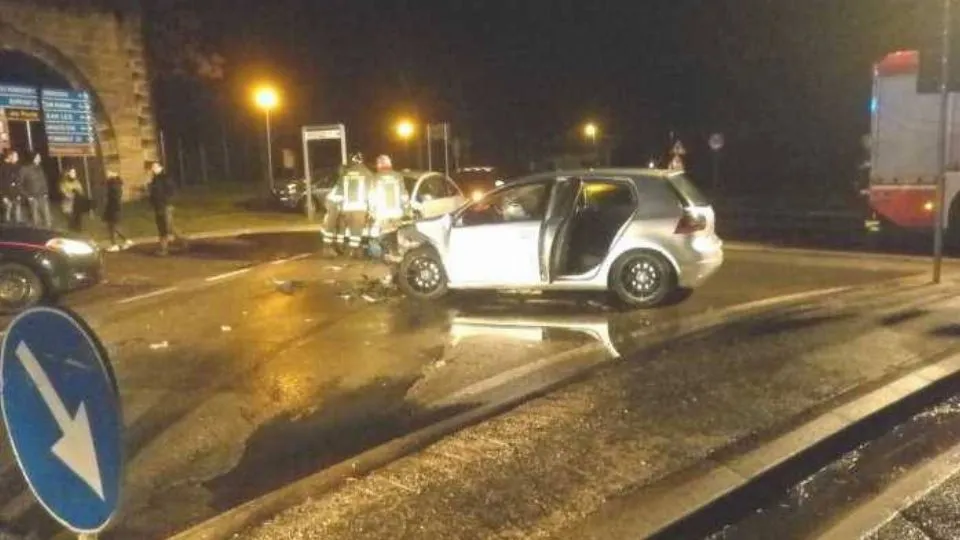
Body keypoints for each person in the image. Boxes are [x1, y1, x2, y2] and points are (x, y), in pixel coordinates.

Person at [147, 161, 187, 256]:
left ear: (160, 167)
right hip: (158, 206)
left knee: (168, 227)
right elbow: (154, 193)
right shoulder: (154, 179)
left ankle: (183, 241)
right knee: (162, 228)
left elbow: (171, 191)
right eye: (152, 167)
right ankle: (164, 249)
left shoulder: (165, 177)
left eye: (155, 167)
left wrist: (166, 201)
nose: (153, 169)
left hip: (165, 206)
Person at [103, 171, 132, 251]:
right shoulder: (115, 184)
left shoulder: (114, 185)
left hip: (114, 209)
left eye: (109, 174)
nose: (107, 175)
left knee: (113, 227)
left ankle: (115, 244)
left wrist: (114, 209)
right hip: (113, 208)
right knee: (112, 227)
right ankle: (125, 241)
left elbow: (114, 198)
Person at [21, 152, 51, 228]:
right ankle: (38, 233)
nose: (39, 159)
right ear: (33, 158)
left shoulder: (40, 168)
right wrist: (28, 196)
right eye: (38, 157)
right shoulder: (25, 169)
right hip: (32, 197)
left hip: (42, 195)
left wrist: (45, 192)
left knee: (47, 217)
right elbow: (20, 184)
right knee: (36, 218)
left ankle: (48, 231)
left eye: (39, 157)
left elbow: (43, 181)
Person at [59, 167, 87, 232]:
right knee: (71, 222)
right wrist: (72, 193)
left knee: (78, 222)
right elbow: (64, 193)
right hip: (69, 207)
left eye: (74, 172)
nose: (74, 174)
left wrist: (79, 194)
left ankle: (79, 233)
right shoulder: (64, 183)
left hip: (77, 205)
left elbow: (81, 191)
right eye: (72, 172)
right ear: (68, 173)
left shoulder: (77, 182)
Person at [0, 149, 23, 224]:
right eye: (15, 156)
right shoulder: (2, 167)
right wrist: (3, 196)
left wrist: (18, 192)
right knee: (8, 208)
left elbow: (16, 180)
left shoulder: (14, 166)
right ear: (10, 156)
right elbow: (2, 182)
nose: (17, 158)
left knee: (17, 206)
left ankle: (19, 221)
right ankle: (7, 223)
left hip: (15, 192)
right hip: (7, 193)